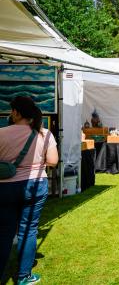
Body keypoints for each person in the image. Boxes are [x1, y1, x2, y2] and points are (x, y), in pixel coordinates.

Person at [0, 96, 59, 285]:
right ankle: (24, 276)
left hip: (5, 186)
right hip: (35, 185)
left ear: (17, 113)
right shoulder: (44, 134)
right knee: (29, 230)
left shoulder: (1, 133)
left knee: (4, 232)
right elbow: (53, 161)